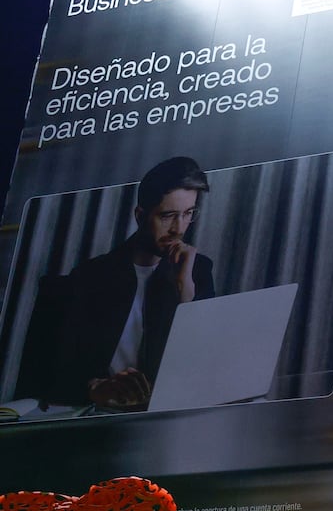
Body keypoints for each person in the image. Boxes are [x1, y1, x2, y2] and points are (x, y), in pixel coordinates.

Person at [18, 156, 214, 411]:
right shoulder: (90, 276)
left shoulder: (197, 270)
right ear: (140, 216)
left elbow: (205, 366)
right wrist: (94, 388)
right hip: (102, 416)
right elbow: (52, 374)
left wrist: (185, 293)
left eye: (188, 214)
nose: (179, 228)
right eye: (168, 216)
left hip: (169, 413)